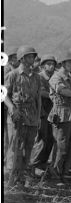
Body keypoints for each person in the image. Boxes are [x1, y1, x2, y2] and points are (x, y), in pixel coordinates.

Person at [4, 46, 42, 186]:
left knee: (28, 147)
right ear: (22, 58)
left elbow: (38, 99)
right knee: (15, 148)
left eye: (33, 56)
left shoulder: (36, 77)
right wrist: (12, 108)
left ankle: (21, 178)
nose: (32, 59)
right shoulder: (13, 75)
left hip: (31, 116)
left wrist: (38, 117)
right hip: (17, 116)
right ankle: (10, 180)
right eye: (29, 56)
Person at [48, 51, 71, 183]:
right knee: (61, 146)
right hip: (61, 114)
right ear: (62, 63)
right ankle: (55, 173)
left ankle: (64, 172)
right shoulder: (56, 77)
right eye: (69, 62)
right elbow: (61, 90)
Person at [29, 54, 56, 174]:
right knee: (40, 140)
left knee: (50, 139)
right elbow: (40, 93)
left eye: (53, 64)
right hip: (41, 113)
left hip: (51, 113)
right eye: (48, 64)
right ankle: (33, 166)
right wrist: (54, 94)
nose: (51, 66)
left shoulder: (53, 78)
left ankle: (42, 163)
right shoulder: (39, 78)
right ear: (43, 66)